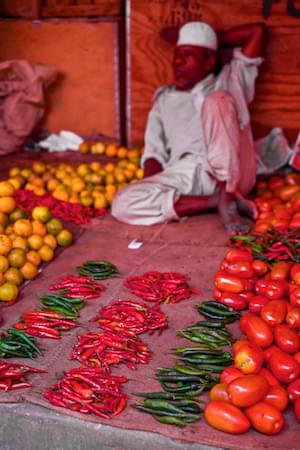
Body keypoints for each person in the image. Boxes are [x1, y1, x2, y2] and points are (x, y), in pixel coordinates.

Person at [112, 21, 295, 233]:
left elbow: (257, 32)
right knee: (122, 202)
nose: (178, 61)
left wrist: (206, 36)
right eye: (177, 54)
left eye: (188, 54)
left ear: (209, 62)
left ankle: (227, 194)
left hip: (234, 171)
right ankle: (217, 201)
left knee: (216, 100)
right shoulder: (164, 99)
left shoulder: (231, 80)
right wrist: (153, 185)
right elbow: (154, 153)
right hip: (185, 173)